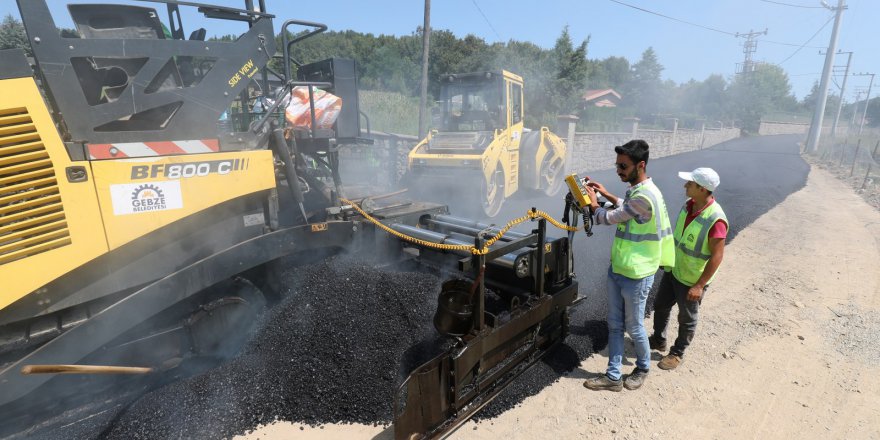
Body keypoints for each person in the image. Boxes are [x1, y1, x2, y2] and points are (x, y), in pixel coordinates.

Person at [581, 139, 675, 392]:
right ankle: (613, 377)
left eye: (623, 166)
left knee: (633, 326)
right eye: (617, 165)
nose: (618, 170)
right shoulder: (640, 191)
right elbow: (628, 207)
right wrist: (606, 193)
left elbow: (607, 217)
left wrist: (592, 202)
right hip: (620, 268)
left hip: (637, 273)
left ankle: (643, 368)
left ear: (640, 165)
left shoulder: (645, 196)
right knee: (614, 324)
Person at [649, 167, 728, 370]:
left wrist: (700, 285)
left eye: (690, 184)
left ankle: (677, 353)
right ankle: (658, 339)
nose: (685, 185)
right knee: (660, 305)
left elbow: (717, 256)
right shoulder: (688, 206)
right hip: (674, 269)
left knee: (687, 317)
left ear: (702, 189)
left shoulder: (716, 219)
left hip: (692, 279)